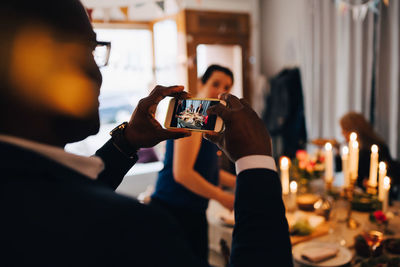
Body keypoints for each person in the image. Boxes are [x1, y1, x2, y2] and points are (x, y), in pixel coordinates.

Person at [0, 1, 293, 266]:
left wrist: (126, 141)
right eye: (88, 49)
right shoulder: (132, 230)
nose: (98, 72)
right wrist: (255, 162)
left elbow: (66, 192)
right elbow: (183, 174)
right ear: (27, 59)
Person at [151, 65, 237, 264]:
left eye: (227, 87)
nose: (221, 91)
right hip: (173, 210)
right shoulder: (193, 112)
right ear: (201, 82)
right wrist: (224, 198)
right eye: (215, 84)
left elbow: (206, 169)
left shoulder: (207, 117)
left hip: (191, 210)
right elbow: (182, 173)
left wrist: (240, 182)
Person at [339, 112, 400, 188]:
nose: (342, 133)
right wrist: (338, 152)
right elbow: (343, 169)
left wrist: (371, 182)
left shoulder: (376, 148)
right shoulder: (354, 147)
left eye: (344, 130)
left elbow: (387, 173)